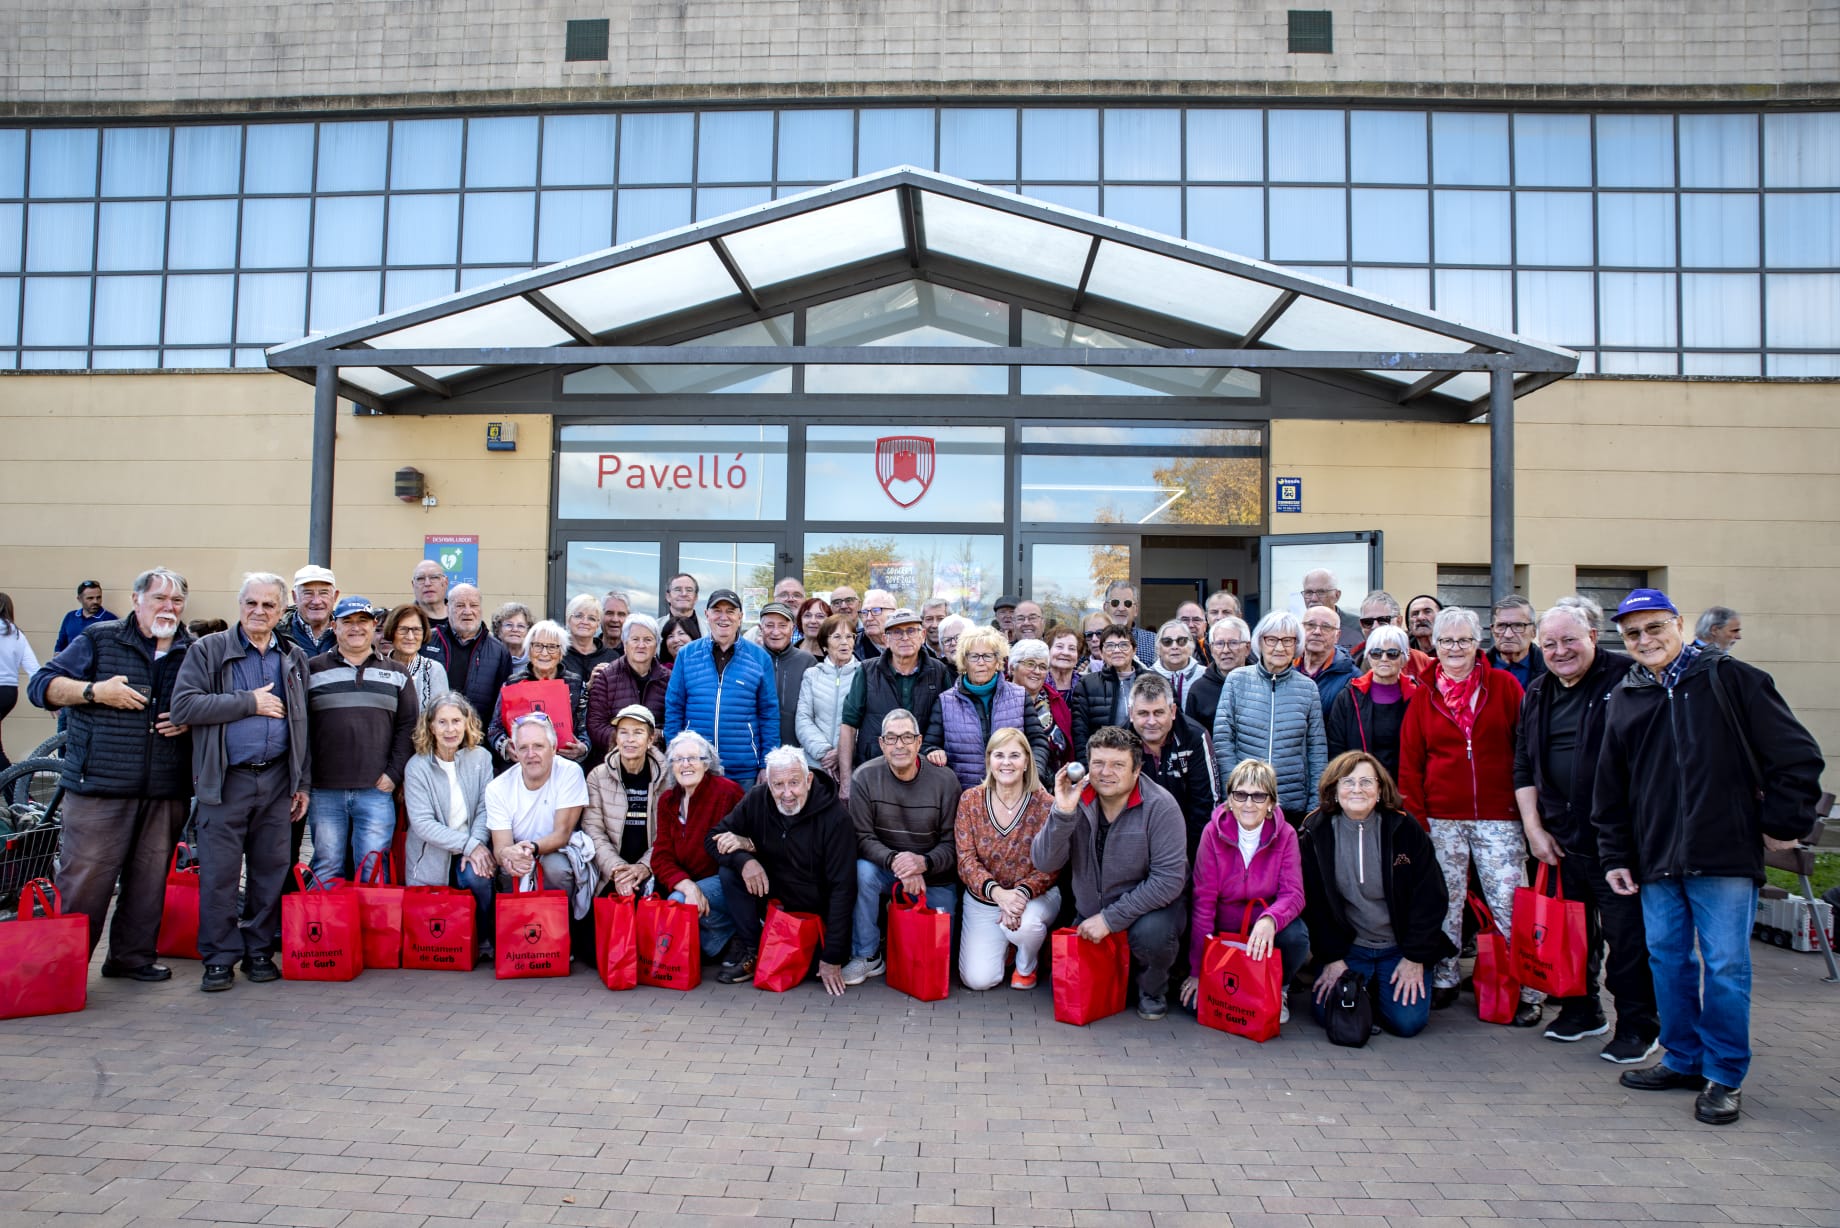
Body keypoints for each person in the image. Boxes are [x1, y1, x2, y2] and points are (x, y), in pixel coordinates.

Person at [1594, 588, 1825, 1126]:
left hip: (1721, 854)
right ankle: (1683, 1058)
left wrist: (1781, 826)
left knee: (1725, 967)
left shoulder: (1732, 680)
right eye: (1633, 634)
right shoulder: (1627, 695)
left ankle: (1724, 1073)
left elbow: (1797, 756)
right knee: (1668, 962)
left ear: (1678, 624)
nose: (1644, 641)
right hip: (1655, 858)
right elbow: (1610, 788)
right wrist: (1615, 854)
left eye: (1654, 628)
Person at [27, 567, 191, 981]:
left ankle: (130, 958)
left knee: (149, 880)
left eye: (176, 601)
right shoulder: (100, 640)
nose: (168, 608)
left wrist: (192, 719)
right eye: (159, 598)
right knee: (85, 881)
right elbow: (41, 685)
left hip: (164, 787)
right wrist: (94, 691)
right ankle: (59, 971)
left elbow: (208, 702)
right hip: (99, 784)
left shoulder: (194, 650)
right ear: (137, 600)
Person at [1513, 603, 1657, 1061]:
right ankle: (1582, 1010)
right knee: (1571, 933)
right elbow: (1523, 765)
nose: (1559, 651)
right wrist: (1534, 829)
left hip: (1618, 842)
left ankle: (1638, 1025)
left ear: (1593, 635)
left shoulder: (1628, 679)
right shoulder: (1537, 691)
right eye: (1550, 643)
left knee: (1627, 939)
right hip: (1560, 837)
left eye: (1569, 639)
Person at [170, 572, 311, 993]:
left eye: (268, 605)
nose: (258, 611)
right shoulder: (209, 650)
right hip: (225, 780)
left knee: (271, 871)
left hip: (277, 780)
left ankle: (258, 952)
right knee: (219, 874)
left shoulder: (292, 655)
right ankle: (218, 959)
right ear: (240, 605)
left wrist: (300, 781)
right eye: (251, 603)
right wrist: (249, 703)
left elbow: (304, 724)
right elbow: (183, 706)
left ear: (281, 610)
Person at [1396, 606, 1537, 1024]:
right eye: (1446, 641)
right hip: (1442, 817)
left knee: (1509, 903)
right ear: (1434, 645)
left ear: (1478, 643)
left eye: (1463, 640)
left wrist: (1527, 812)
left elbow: (1526, 750)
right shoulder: (1424, 695)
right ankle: (1445, 976)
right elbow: (1410, 765)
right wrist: (1420, 822)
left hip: (1499, 816)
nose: (1455, 649)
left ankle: (1530, 987)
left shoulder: (1505, 686)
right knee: (1446, 902)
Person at [1033, 726, 1188, 1019]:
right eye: (1098, 763)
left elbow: (1168, 881)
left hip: (1148, 912)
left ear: (1137, 770)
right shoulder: (1077, 799)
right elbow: (1044, 862)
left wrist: (1109, 919)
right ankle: (1120, 978)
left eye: (1118, 765)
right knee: (1061, 987)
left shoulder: (1161, 807)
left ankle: (1152, 989)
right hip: (1092, 910)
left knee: (1153, 935)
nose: (1106, 773)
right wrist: (1063, 812)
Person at [1301, 751, 1454, 1039]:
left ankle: (1374, 991)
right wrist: (1333, 958)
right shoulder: (1316, 832)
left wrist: (1414, 957)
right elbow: (1315, 905)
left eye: (1366, 782)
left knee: (1407, 1023)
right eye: (1348, 782)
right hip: (1350, 947)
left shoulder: (1404, 828)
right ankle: (1365, 989)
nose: (1357, 789)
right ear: (1333, 789)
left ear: (1380, 789)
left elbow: (1431, 896)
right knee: (1327, 1014)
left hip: (1398, 947)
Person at [708, 746, 856, 993]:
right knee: (730, 871)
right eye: (778, 785)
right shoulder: (757, 798)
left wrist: (833, 956)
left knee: (811, 971)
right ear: (769, 784)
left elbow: (843, 889)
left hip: (813, 911)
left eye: (794, 783)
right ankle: (753, 951)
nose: (787, 793)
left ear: (808, 780)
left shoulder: (836, 818)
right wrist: (745, 861)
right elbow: (713, 837)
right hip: (773, 897)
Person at [1180, 759, 1308, 1024]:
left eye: (1259, 795)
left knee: (1297, 936)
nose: (1248, 803)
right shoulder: (1212, 833)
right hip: (1223, 930)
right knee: (1196, 1006)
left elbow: (1293, 893)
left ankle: (1279, 989)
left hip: (1263, 930)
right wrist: (1197, 971)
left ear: (1271, 803)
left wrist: (1270, 919)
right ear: (1229, 799)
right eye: (1240, 794)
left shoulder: (1286, 835)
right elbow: (1204, 902)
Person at [843, 708, 962, 984]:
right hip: (887, 869)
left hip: (935, 876)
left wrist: (924, 863)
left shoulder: (945, 781)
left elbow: (952, 843)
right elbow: (862, 837)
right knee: (862, 873)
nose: (899, 745)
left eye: (907, 737)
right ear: (881, 743)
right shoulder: (864, 777)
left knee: (942, 957)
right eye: (892, 738)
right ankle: (867, 955)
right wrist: (898, 862)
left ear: (919, 742)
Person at [305, 597, 418, 886]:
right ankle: (328, 931)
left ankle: (373, 932)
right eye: (347, 621)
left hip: (376, 790)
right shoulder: (312, 670)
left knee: (373, 871)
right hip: (325, 790)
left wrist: (393, 774)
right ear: (334, 626)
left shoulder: (396, 672)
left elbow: (409, 727)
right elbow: (300, 728)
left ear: (374, 626)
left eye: (363, 621)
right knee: (327, 866)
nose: (356, 628)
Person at [956, 726, 1060, 990]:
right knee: (978, 980)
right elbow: (966, 861)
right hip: (985, 899)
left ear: (1026, 761)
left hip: (1034, 898)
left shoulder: (1045, 803)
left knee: (1027, 925)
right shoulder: (971, 800)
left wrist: (1019, 896)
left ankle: (1027, 965)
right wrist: (999, 896)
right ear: (989, 760)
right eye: (999, 755)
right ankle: (1006, 946)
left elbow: (1051, 865)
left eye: (1014, 755)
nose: (1006, 763)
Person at [401, 693, 496, 953]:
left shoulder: (481, 759)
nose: (450, 729)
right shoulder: (417, 767)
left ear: (467, 722)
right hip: (432, 854)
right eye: (442, 722)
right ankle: (449, 945)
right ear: (430, 726)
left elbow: (485, 808)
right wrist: (468, 845)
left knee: (479, 875)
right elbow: (422, 823)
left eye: (456, 720)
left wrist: (476, 844)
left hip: (472, 843)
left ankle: (483, 938)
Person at [1210, 611, 1326, 822]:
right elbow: (1223, 741)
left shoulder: (1308, 688)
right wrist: (1235, 792)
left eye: (1287, 640)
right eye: (1271, 639)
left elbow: (1316, 750)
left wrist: (1313, 808)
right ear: (1259, 642)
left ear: (1296, 645)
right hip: (1245, 802)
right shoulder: (1237, 680)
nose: (1279, 647)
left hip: (1292, 805)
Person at [664, 588, 778, 788]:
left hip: (744, 770)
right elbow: (674, 708)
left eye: (730, 611)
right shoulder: (687, 654)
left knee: (743, 820)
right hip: (696, 765)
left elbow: (769, 714)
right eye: (717, 610)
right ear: (707, 615)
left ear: (740, 617)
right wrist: (674, 756)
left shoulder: (760, 658)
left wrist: (766, 763)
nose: (723, 617)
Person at [649, 730, 745, 960]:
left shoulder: (727, 792)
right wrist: (687, 885)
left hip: (726, 881)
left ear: (707, 762)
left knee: (678, 903)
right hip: (688, 881)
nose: (685, 765)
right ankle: (724, 942)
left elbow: (744, 845)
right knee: (681, 899)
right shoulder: (667, 801)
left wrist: (694, 889)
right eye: (678, 759)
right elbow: (661, 855)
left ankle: (738, 935)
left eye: (693, 758)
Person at [484, 713, 593, 911]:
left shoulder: (570, 772)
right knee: (510, 869)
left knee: (556, 867)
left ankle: (563, 928)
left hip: (557, 849)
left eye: (538, 746)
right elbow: (501, 848)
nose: (531, 754)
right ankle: (518, 929)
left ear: (553, 749)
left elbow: (562, 834)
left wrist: (531, 848)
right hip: (520, 851)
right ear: (515, 752)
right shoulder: (497, 787)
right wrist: (508, 855)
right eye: (523, 748)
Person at [837, 607, 950, 788]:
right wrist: (846, 781)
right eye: (897, 632)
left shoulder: (938, 672)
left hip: (922, 773)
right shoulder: (867, 671)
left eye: (911, 630)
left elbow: (947, 723)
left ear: (922, 635)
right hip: (873, 771)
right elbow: (848, 725)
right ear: (885, 639)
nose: (905, 638)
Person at [925, 627, 1049, 787]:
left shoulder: (1019, 696)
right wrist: (932, 752)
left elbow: (1038, 741)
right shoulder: (945, 702)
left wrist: (1033, 775)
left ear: (998, 661)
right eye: (974, 656)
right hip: (964, 796)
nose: (981, 662)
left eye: (988, 656)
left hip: (1013, 793)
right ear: (964, 661)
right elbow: (929, 745)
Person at [1128, 673, 1215, 870]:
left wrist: (1192, 860)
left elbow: (1205, 803)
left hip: (1187, 841)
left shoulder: (1195, 737)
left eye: (1158, 713)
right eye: (1143, 713)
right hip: (1137, 844)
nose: (1151, 721)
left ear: (1173, 711)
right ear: (1131, 713)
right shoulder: (1121, 743)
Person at [582, 704, 667, 896]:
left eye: (638, 732)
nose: (630, 740)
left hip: (654, 868)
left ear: (650, 739)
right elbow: (593, 830)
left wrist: (644, 866)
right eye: (623, 732)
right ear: (616, 737)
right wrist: (618, 870)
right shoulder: (597, 776)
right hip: (610, 871)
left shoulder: (666, 778)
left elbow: (668, 834)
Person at [1325, 623, 1420, 784]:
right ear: (1368, 656)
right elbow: (1336, 748)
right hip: (1359, 788)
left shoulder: (1417, 697)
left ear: (1405, 657)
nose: (1384, 659)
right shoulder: (1348, 697)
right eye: (1376, 653)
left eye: (1392, 653)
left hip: (1405, 789)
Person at [486, 619, 589, 766]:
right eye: (538, 646)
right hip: (523, 765)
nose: (544, 653)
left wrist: (582, 748)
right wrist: (505, 746)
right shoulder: (511, 684)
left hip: (562, 764)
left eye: (552, 647)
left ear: (561, 652)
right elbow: (494, 728)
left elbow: (585, 729)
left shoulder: (576, 685)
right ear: (529, 650)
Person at [424, 583, 512, 727]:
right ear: (448, 608)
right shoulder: (427, 641)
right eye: (460, 605)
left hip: (477, 741)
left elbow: (501, 707)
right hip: (432, 736)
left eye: (474, 605)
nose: (467, 611)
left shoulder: (500, 652)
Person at [584, 613, 671, 758]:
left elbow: (673, 722)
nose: (641, 645)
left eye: (648, 640)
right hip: (614, 760)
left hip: (657, 759)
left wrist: (655, 738)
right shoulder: (606, 677)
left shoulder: (668, 679)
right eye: (635, 639)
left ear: (656, 645)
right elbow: (596, 725)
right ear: (625, 644)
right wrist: (629, 743)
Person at [795, 614, 860, 774]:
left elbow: (867, 721)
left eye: (849, 636)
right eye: (837, 637)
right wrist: (824, 752)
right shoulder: (812, 675)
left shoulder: (865, 673)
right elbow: (803, 719)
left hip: (853, 763)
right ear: (825, 644)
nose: (844, 642)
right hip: (816, 762)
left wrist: (842, 752)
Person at [1070, 623, 1141, 761]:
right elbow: (1079, 732)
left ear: (1134, 650)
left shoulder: (1152, 681)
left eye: (1124, 645)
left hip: (1143, 760)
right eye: (1110, 646)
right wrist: (1087, 766)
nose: (1117, 650)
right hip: (1103, 760)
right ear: (1101, 653)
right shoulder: (1087, 684)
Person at [1009, 638, 1070, 776]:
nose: (1037, 671)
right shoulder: (999, 698)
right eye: (1030, 664)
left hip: (1054, 782)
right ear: (1013, 667)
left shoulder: (1056, 701)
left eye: (1042, 667)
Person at [759, 600, 813, 750]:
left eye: (783, 625)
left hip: (799, 750)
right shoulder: (750, 659)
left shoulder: (807, 662)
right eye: (769, 625)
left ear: (792, 628)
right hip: (758, 748)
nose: (776, 632)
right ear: (760, 628)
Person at [1185, 616, 1250, 732]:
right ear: (1211, 649)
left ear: (1247, 648)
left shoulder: (1262, 685)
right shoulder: (1198, 690)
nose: (1225, 650)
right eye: (1219, 644)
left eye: (1233, 643)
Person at [0, 592, 40, 772]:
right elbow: (34, 669)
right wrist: (46, 695)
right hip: (9, 693)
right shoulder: (17, 635)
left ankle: (16, 792)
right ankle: (16, 793)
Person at [381, 604, 445, 714]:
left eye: (416, 630)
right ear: (391, 631)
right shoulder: (376, 667)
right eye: (403, 629)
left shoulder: (434, 670)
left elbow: (441, 716)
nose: (410, 637)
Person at [1297, 604, 1357, 713]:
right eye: (1310, 625)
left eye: (1326, 627)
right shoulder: (1284, 668)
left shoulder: (1352, 678)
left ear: (1337, 636)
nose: (1317, 632)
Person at [280, 564, 339, 659]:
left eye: (324, 593)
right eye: (308, 593)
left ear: (335, 596)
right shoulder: (276, 633)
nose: (316, 601)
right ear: (295, 596)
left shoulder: (350, 632)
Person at [1487, 595, 1546, 689]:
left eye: (1518, 626)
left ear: (1534, 632)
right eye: (1501, 626)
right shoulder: (1475, 670)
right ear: (1493, 630)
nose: (1508, 634)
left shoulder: (1553, 670)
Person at [1299, 568, 1364, 651]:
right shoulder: (1296, 629)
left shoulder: (1359, 627)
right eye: (1309, 592)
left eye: (1321, 592)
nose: (1314, 598)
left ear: (1337, 595)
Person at [1148, 618, 1205, 711]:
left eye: (1181, 641)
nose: (1174, 647)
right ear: (1158, 648)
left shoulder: (1205, 675)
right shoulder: (1146, 677)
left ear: (1191, 645)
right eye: (1167, 641)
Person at [564, 593, 619, 680]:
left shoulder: (612, 658)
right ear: (568, 619)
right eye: (578, 616)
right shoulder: (558, 654)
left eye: (591, 618)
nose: (585, 622)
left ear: (598, 624)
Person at [1103, 579, 1158, 665]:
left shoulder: (1154, 641)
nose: (1121, 609)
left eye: (1127, 603)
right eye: (1115, 603)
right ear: (1105, 608)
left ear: (1136, 610)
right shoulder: (1094, 640)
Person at [55, 579, 116, 652]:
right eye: (90, 598)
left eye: (98, 597)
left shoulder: (110, 620)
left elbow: (112, 650)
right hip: (70, 662)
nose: (95, 601)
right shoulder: (70, 617)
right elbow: (60, 645)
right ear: (79, 599)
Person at [853, 588, 895, 660]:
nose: (869, 618)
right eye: (865, 612)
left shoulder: (909, 640)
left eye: (876, 611)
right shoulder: (851, 644)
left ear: (893, 613)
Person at [491, 601, 534, 670]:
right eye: (509, 625)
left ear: (528, 631)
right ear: (497, 630)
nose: (515, 629)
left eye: (521, 626)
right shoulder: (487, 659)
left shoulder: (537, 662)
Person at [411, 559, 450, 625]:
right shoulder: (403, 620)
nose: (427, 583)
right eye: (420, 578)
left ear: (445, 582)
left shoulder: (460, 617)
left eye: (434, 577)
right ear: (413, 585)